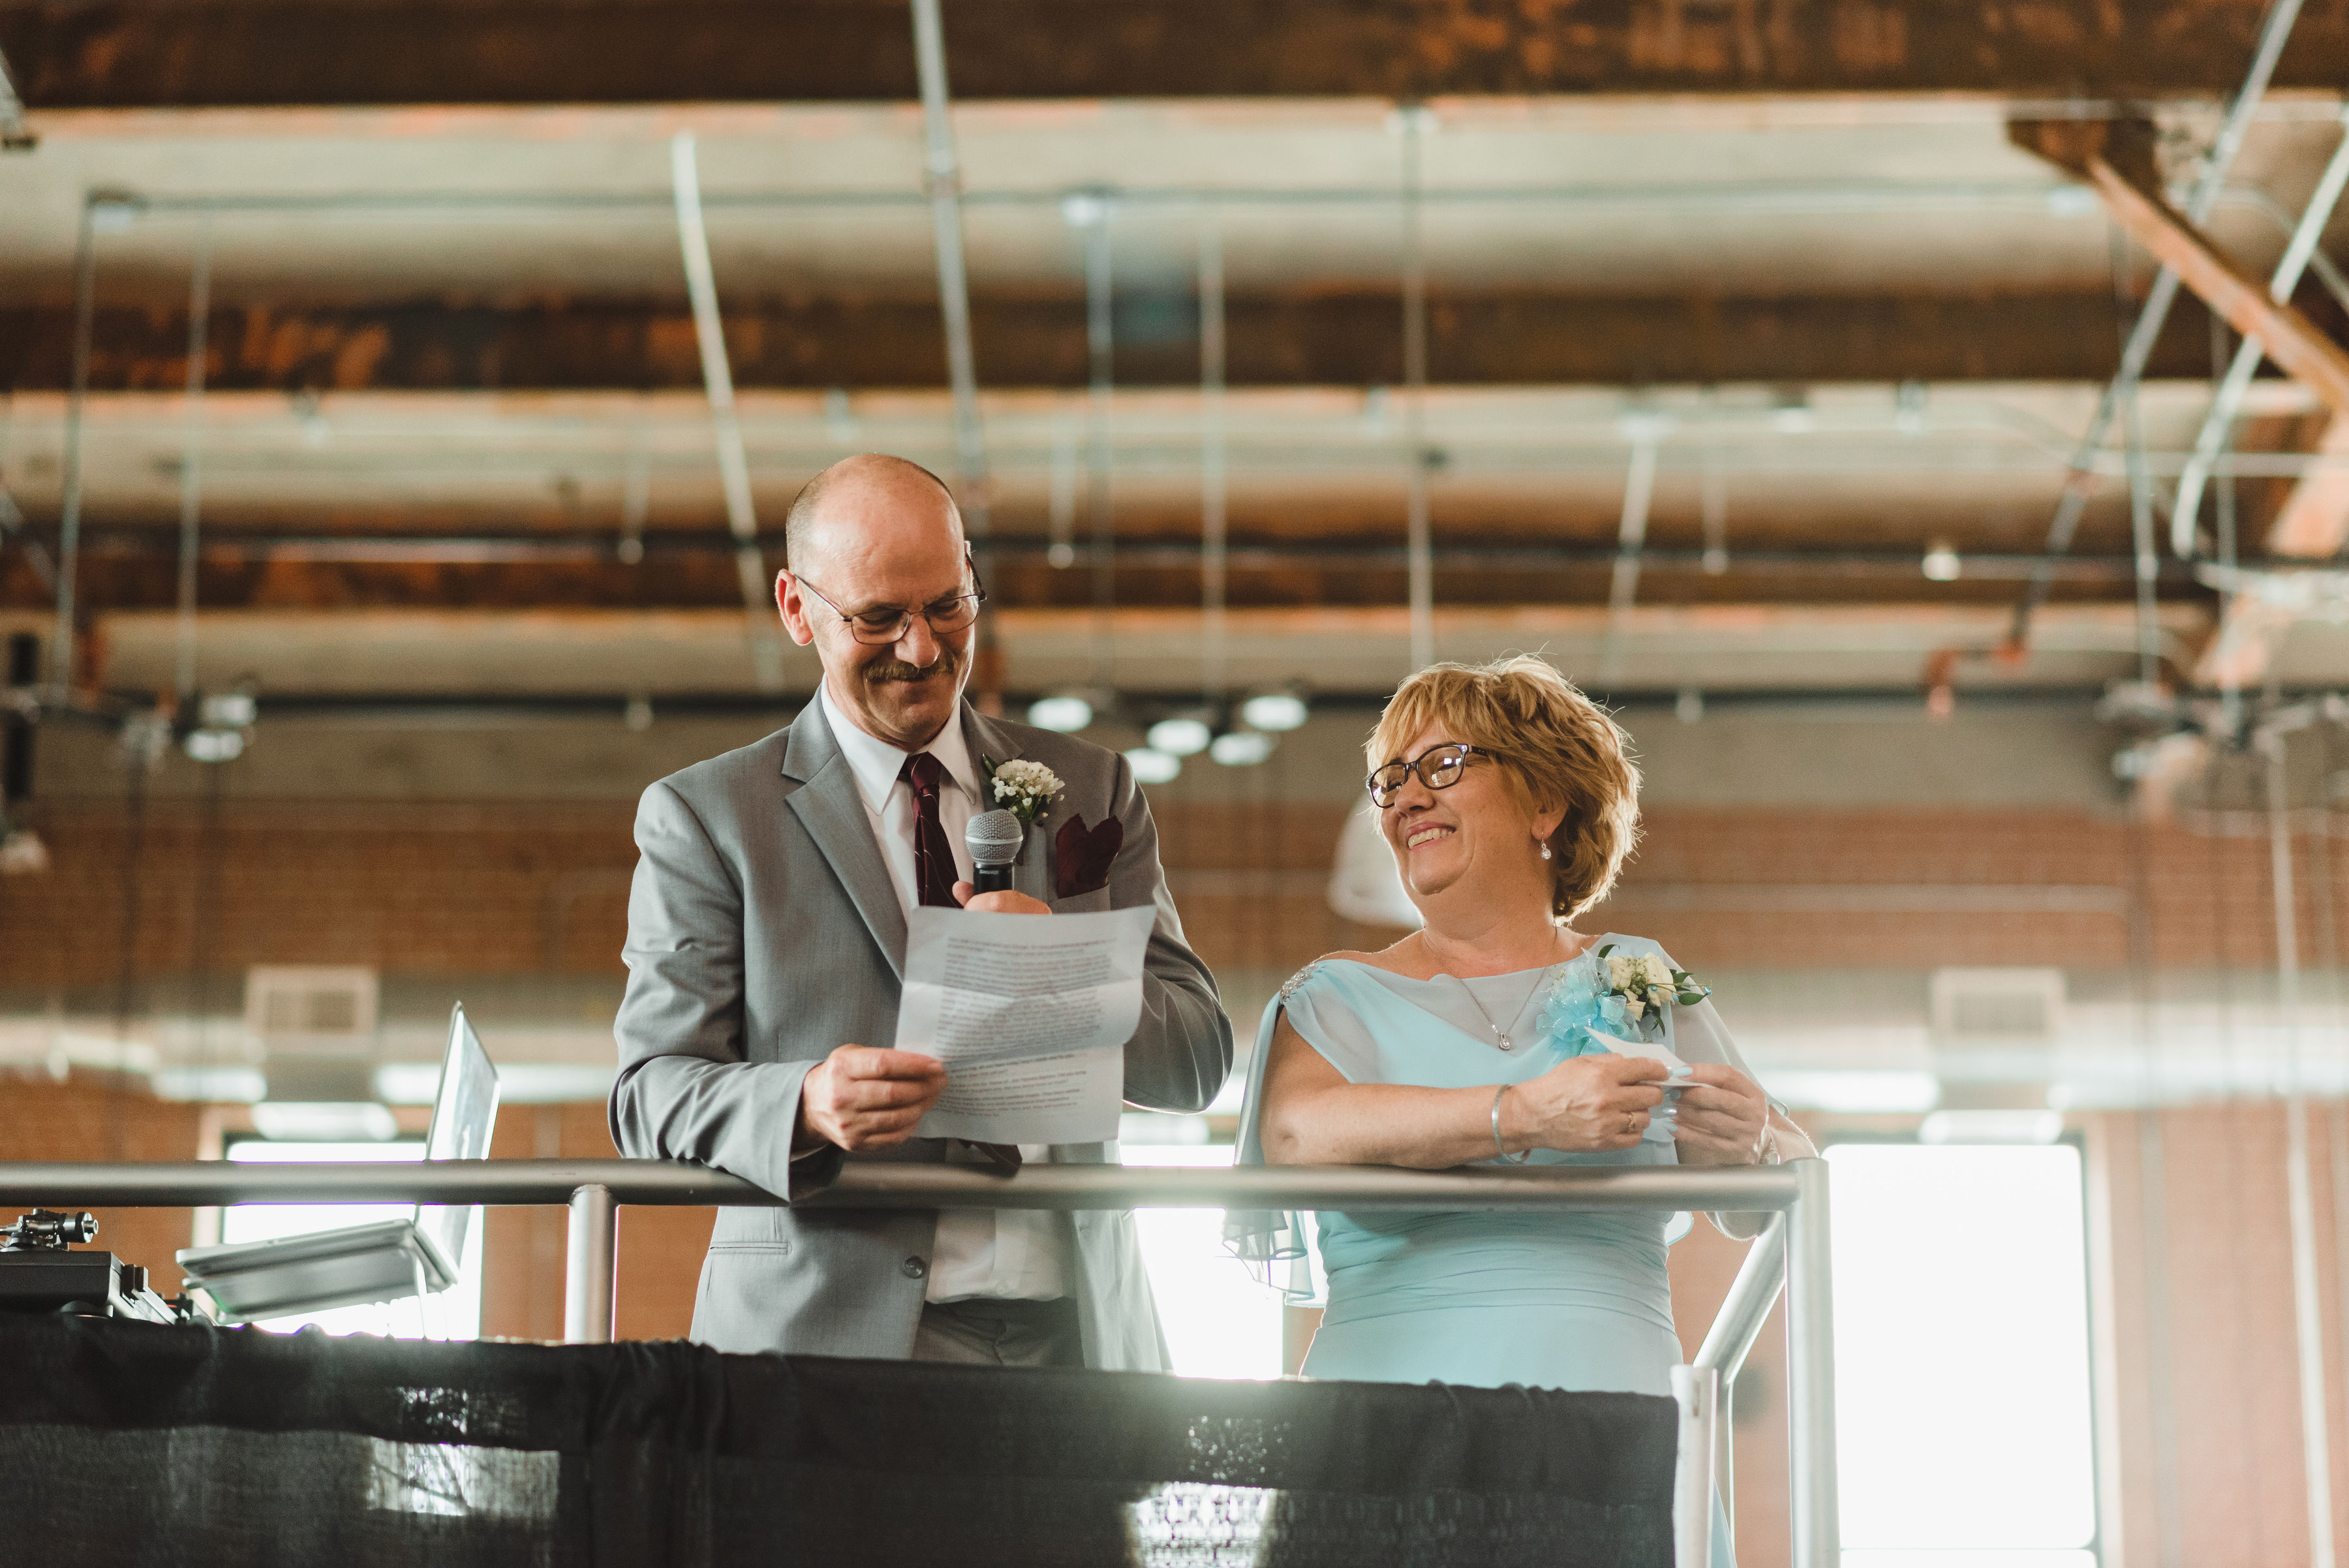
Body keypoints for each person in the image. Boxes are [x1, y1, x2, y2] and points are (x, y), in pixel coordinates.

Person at [611, 453, 1232, 1369]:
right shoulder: (709, 817)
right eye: (878, 618)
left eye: (949, 605)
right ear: (796, 608)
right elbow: (650, 1092)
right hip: (826, 1344)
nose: (923, 649)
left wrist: (1070, 980)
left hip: (1083, 1348)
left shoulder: (1093, 788)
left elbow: (1199, 1063)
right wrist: (807, 1103)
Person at [1229, 655, 1811, 1563]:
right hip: (1389, 1423)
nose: (1405, 798)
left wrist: (1753, 1144)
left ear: (1546, 804)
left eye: (1444, 765)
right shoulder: (1335, 995)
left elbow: (1767, 1188)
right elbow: (1300, 1132)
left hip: (1607, 1424)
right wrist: (1522, 1116)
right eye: (1391, 777)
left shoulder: (1643, 981)